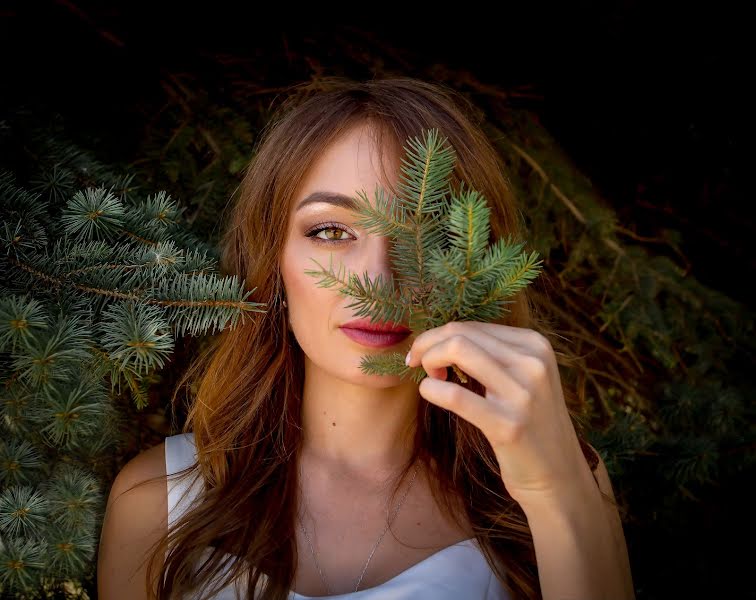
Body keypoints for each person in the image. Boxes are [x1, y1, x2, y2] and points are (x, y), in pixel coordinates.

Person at [97, 76, 635, 600]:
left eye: (420, 236)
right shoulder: (158, 500)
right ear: (273, 262)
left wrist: (554, 493)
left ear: (476, 260)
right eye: (331, 232)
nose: (378, 280)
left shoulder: (557, 480)